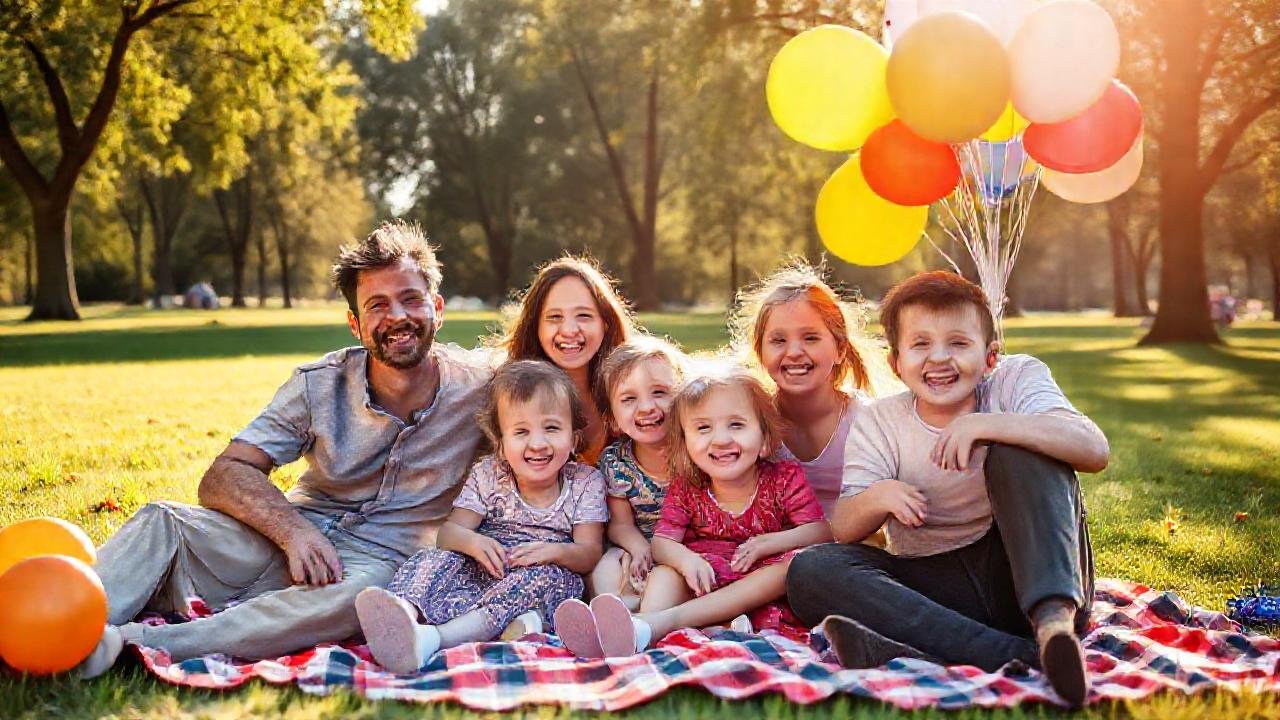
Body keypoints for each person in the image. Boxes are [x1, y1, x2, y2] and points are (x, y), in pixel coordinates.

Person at [78, 221, 494, 676]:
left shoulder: (483, 389)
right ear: (355, 324)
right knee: (164, 521)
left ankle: (134, 644)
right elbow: (225, 473)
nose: (397, 316)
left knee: (368, 597)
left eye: (411, 300)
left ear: (437, 308)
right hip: (286, 536)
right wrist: (293, 532)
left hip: (374, 565)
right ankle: (64, 624)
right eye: (377, 306)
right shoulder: (319, 384)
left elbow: (554, 392)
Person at [785, 271, 1107, 708]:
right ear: (896, 363)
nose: (939, 359)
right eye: (920, 344)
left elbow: (1093, 449)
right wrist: (879, 497)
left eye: (958, 343)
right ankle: (1011, 654)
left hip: (1028, 572)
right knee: (811, 570)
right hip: (939, 588)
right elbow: (844, 528)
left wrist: (988, 425)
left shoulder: (1015, 379)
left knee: (1021, 450)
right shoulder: (881, 421)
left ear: (990, 356)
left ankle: (1053, 627)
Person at [556, 365, 831, 658]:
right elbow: (662, 543)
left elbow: (821, 531)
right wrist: (686, 561)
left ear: (764, 439)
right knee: (665, 576)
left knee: (794, 565)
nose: (721, 439)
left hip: (761, 576)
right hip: (707, 572)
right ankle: (633, 631)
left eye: (736, 425)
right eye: (703, 428)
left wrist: (770, 543)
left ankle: (650, 625)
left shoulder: (783, 478)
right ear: (685, 445)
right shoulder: (689, 486)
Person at [355, 360, 607, 673]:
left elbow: (589, 553)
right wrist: (473, 542)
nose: (538, 443)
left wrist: (555, 552)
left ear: (573, 440)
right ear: (500, 446)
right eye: (521, 432)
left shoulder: (585, 482)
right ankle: (400, 615)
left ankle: (431, 639)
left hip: (541, 575)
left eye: (552, 428)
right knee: (433, 560)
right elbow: (449, 534)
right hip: (484, 566)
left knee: (546, 581)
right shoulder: (489, 473)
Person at [732, 260, 883, 518]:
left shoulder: (866, 422)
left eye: (810, 338)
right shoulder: (751, 423)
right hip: (776, 548)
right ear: (760, 352)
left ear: (840, 349)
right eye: (778, 340)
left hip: (850, 548)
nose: (793, 352)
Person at [494, 257, 635, 465]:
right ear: (535, 325)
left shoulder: (637, 386)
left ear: (605, 323)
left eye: (584, 315)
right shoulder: (507, 394)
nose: (569, 330)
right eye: (554, 317)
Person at [588, 336, 687, 610]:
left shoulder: (697, 452)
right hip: (638, 546)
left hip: (688, 548)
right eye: (629, 399)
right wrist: (638, 547)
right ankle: (618, 612)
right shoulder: (616, 463)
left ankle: (646, 614)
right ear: (612, 420)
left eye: (659, 392)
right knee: (605, 569)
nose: (646, 407)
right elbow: (620, 524)